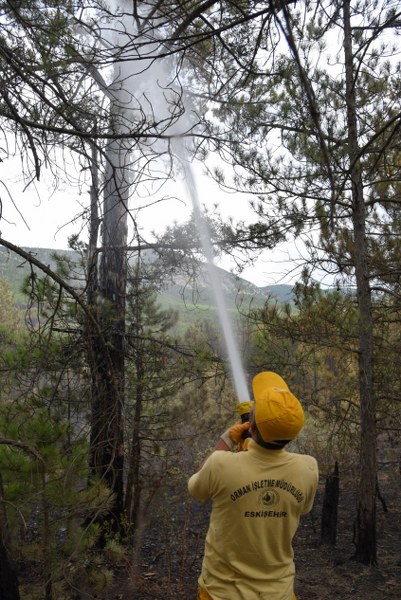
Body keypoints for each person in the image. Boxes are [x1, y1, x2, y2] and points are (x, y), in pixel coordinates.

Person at [188, 371, 319, 600]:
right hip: (279, 594)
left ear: (253, 428)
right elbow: (301, 508)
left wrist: (226, 441)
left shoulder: (222, 464)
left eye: (256, 407)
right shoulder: (308, 469)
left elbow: (195, 487)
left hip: (220, 594)